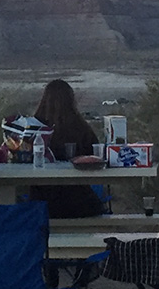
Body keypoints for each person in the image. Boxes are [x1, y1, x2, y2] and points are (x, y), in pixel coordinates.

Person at [30, 78, 105, 219]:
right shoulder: (82, 129)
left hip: (41, 203)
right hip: (79, 203)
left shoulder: (33, 129)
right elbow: (95, 156)